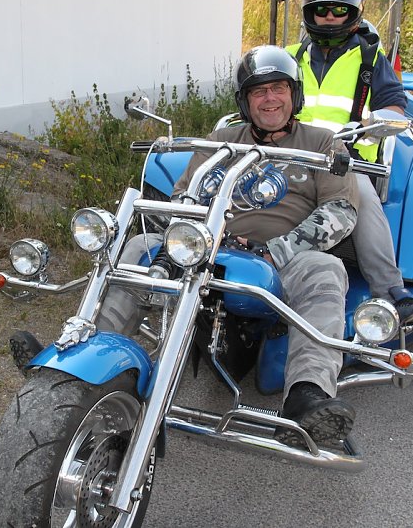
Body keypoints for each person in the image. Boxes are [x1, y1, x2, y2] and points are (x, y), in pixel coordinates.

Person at [96, 45, 360, 444]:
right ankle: (95, 361)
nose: (270, 98)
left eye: (279, 89)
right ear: (245, 100)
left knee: (327, 270)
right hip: (212, 248)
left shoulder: (322, 143)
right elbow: (184, 196)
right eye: (259, 91)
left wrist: (278, 249)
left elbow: (340, 211)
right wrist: (195, 236)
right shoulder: (222, 139)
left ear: (294, 94)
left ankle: (308, 396)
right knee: (136, 250)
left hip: (282, 257)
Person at [286, 0, 413, 323]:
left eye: (339, 10)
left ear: (354, 15)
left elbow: (396, 106)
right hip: (289, 155)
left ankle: (393, 294)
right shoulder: (289, 57)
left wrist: (374, 121)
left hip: (344, 161)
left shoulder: (370, 59)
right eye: (322, 9)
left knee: (364, 198)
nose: (329, 17)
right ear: (309, 12)